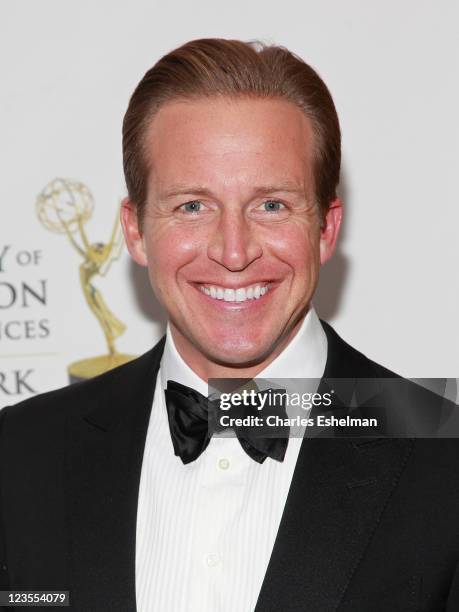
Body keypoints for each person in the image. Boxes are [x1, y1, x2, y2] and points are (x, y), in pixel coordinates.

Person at [0, 38, 458, 612]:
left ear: (325, 228)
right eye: (192, 205)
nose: (234, 252)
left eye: (271, 205)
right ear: (136, 231)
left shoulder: (444, 459)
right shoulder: (20, 456)